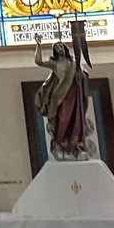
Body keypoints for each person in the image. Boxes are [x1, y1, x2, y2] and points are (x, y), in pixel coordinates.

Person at [33, 25, 91, 157]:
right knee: (62, 118)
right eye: (57, 47)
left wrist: (81, 75)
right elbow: (38, 61)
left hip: (73, 94)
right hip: (60, 94)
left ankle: (74, 143)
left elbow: (83, 74)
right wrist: (38, 45)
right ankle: (60, 141)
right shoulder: (54, 63)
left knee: (75, 118)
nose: (60, 49)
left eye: (61, 46)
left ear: (65, 49)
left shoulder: (74, 62)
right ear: (55, 51)